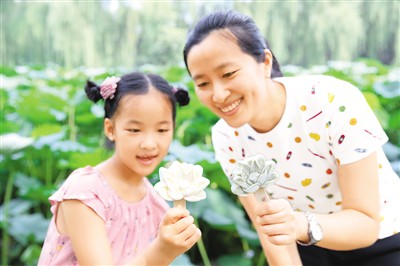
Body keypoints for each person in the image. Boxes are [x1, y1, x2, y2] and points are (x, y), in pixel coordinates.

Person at [183, 10, 400, 266]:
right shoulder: (225, 136)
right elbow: (270, 232)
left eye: (228, 74)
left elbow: (365, 224)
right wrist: (295, 229)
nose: (218, 95)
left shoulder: (332, 100)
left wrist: (298, 224)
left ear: (265, 62)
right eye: (203, 84)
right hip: (307, 244)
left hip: (382, 240)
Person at [38, 72, 200, 265]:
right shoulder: (85, 193)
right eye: (134, 130)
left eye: (162, 130)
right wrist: (162, 251)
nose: (149, 144)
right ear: (110, 129)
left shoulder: (155, 202)